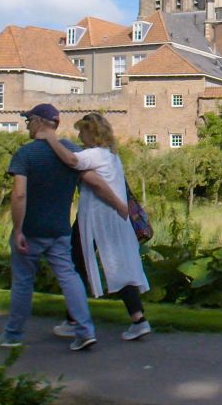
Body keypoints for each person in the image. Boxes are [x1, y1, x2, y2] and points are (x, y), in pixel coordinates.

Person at [0, 103, 128, 352]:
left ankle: (12, 335)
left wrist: (18, 229)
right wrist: (118, 202)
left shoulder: (25, 154)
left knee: (23, 282)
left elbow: (19, 196)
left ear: (40, 122)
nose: (27, 125)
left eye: (29, 120)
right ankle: (85, 330)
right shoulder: (70, 151)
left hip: (30, 230)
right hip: (60, 229)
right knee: (69, 277)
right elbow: (94, 180)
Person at [41, 112, 153, 341]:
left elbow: (72, 160)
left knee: (76, 266)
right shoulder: (112, 156)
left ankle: (75, 320)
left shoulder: (94, 155)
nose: (80, 135)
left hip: (95, 221)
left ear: (92, 133)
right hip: (115, 220)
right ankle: (138, 319)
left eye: (82, 131)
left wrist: (49, 138)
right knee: (118, 265)